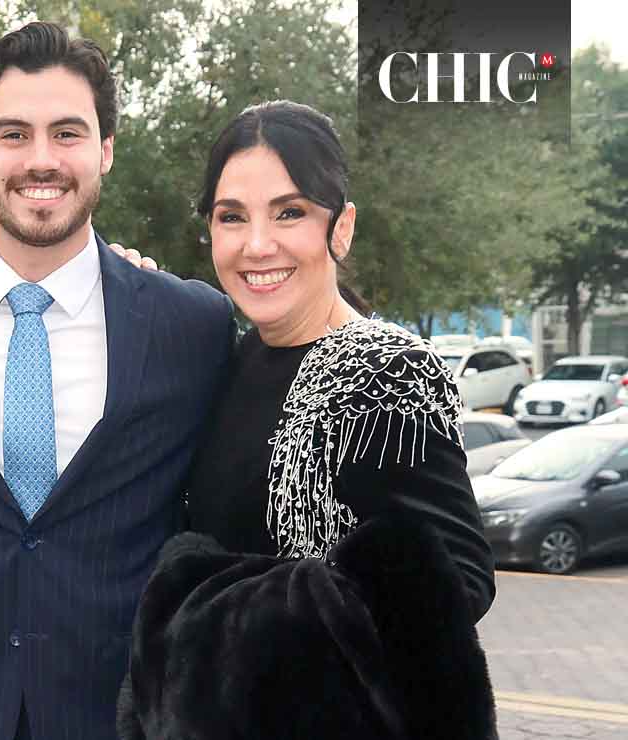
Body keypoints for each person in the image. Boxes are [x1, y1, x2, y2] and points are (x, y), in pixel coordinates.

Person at [0, 22, 237, 740]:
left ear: (105, 150)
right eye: (13, 134)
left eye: (67, 133)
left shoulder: (192, 328)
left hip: (132, 714)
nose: (42, 160)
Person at [118, 100, 497, 738]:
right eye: (231, 217)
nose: (257, 244)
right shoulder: (235, 360)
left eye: (290, 213)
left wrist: (203, 612)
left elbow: (457, 584)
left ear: (340, 228)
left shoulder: (385, 374)